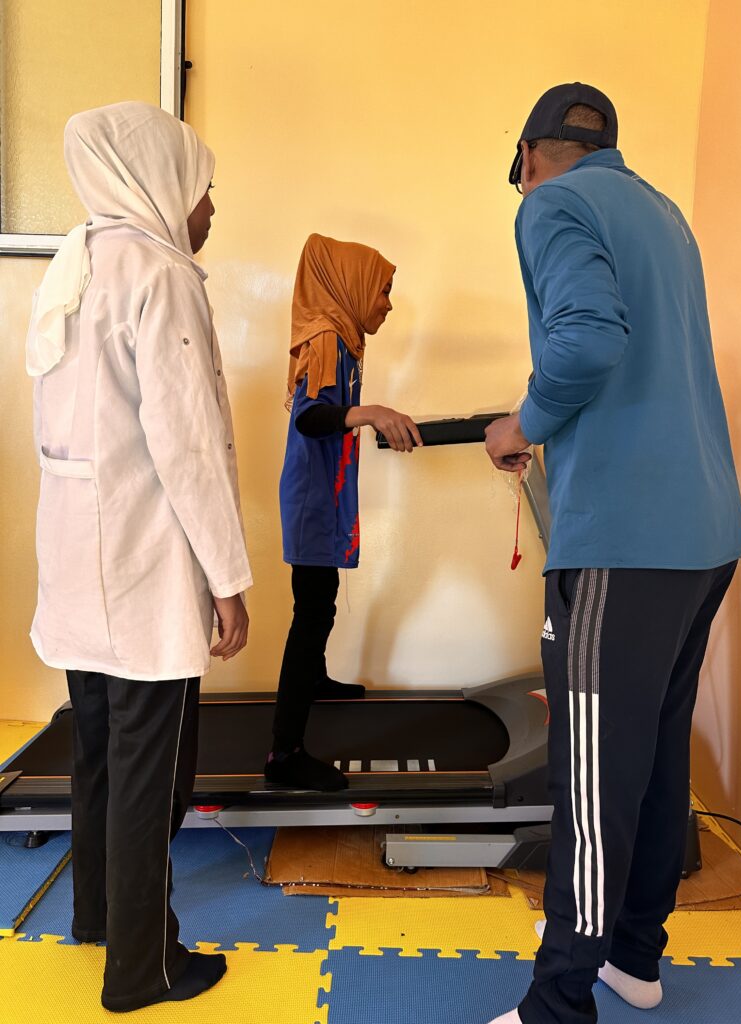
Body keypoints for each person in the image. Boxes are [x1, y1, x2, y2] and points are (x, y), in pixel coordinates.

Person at [483, 83, 741, 1024]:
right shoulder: (664, 214)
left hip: (623, 544)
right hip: (705, 537)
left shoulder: (553, 203)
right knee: (651, 757)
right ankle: (636, 959)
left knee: (593, 777)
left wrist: (526, 418)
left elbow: (589, 341)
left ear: (527, 156)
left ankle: (559, 1006)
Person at [26, 102, 252, 1013]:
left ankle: (96, 918)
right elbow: (187, 444)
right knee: (149, 767)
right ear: (156, 182)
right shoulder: (161, 273)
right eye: (203, 188)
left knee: (98, 755)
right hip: (144, 554)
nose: (209, 208)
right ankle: (144, 970)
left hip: (76, 551)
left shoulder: (72, 263)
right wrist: (227, 580)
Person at [266, 233, 422, 792]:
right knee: (309, 614)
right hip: (311, 498)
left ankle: (316, 680)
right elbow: (311, 419)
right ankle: (284, 754)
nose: (386, 303)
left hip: (319, 492)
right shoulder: (328, 338)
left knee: (320, 602)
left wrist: (370, 418)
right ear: (350, 286)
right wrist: (372, 412)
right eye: (382, 291)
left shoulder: (344, 340)